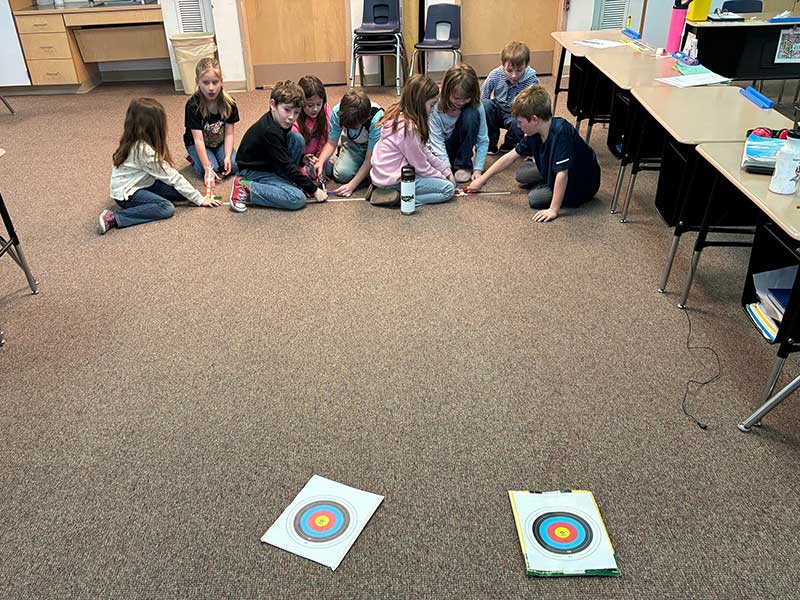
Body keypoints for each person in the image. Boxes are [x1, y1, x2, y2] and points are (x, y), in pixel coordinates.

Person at [467, 85, 600, 223]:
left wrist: (553, 209)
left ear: (535, 119)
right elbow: (510, 157)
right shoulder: (534, 132)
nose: (518, 126)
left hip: (580, 184)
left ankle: (550, 186)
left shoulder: (561, 134)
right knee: (521, 175)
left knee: (535, 198)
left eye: (520, 122)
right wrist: (482, 180)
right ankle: (548, 179)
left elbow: (562, 174)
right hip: (555, 169)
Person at [98, 97, 220, 234]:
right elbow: (172, 176)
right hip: (128, 193)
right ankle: (115, 217)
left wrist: (195, 196)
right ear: (153, 126)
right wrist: (199, 199)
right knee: (165, 208)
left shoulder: (135, 139)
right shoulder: (143, 150)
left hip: (145, 183)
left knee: (180, 193)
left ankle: (151, 201)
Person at [230, 80, 327, 212]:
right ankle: (245, 188)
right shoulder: (270, 131)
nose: (291, 117)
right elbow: (285, 164)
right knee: (296, 198)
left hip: (270, 163)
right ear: (273, 104)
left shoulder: (279, 121)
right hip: (252, 171)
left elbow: (279, 152)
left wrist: (301, 158)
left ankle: (282, 183)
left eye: (297, 112)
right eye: (287, 110)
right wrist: (313, 189)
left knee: (296, 138)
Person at [369, 75, 455, 207]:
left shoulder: (399, 115)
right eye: (431, 105)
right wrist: (442, 177)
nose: (433, 110)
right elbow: (420, 166)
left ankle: (385, 191)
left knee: (443, 181)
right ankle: (404, 198)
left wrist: (446, 170)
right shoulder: (408, 129)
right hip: (394, 180)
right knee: (448, 190)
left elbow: (425, 151)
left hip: (382, 176)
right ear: (419, 103)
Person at [315, 89, 384, 197]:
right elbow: (331, 142)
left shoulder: (376, 119)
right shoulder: (338, 112)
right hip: (353, 143)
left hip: (376, 148)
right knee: (341, 175)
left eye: (354, 127)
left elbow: (369, 158)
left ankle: (364, 172)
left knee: (383, 178)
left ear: (367, 118)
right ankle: (352, 159)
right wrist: (321, 162)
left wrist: (351, 186)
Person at [428, 63, 489, 184]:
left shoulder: (476, 106)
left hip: (462, 149)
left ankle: (463, 165)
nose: (461, 102)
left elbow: (482, 140)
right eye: (456, 98)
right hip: (439, 149)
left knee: (471, 114)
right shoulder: (434, 106)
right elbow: (437, 142)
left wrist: (478, 170)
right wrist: (446, 169)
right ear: (447, 91)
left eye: (466, 98)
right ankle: (448, 165)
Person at [183, 57, 240, 186]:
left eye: (215, 82)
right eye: (205, 82)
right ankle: (192, 157)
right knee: (210, 169)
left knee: (233, 165)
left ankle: (217, 157)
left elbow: (229, 134)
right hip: (197, 143)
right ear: (197, 82)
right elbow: (198, 140)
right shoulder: (193, 105)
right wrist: (207, 168)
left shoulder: (229, 103)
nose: (211, 88)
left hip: (219, 142)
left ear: (221, 82)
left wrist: (227, 156)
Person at [481, 41, 538, 154]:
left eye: (519, 70)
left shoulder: (532, 80)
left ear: (526, 66)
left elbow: (533, 105)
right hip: (498, 109)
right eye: (509, 70)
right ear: (503, 65)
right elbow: (484, 96)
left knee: (522, 120)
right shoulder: (495, 74)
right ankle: (491, 144)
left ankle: (509, 144)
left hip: (516, 113)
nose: (514, 75)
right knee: (485, 105)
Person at [292, 75, 332, 180]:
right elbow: (293, 153)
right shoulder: (294, 118)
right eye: (310, 105)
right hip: (300, 159)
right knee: (304, 173)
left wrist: (320, 161)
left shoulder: (325, 110)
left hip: (315, 156)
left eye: (319, 104)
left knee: (330, 168)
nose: (315, 109)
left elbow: (325, 139)